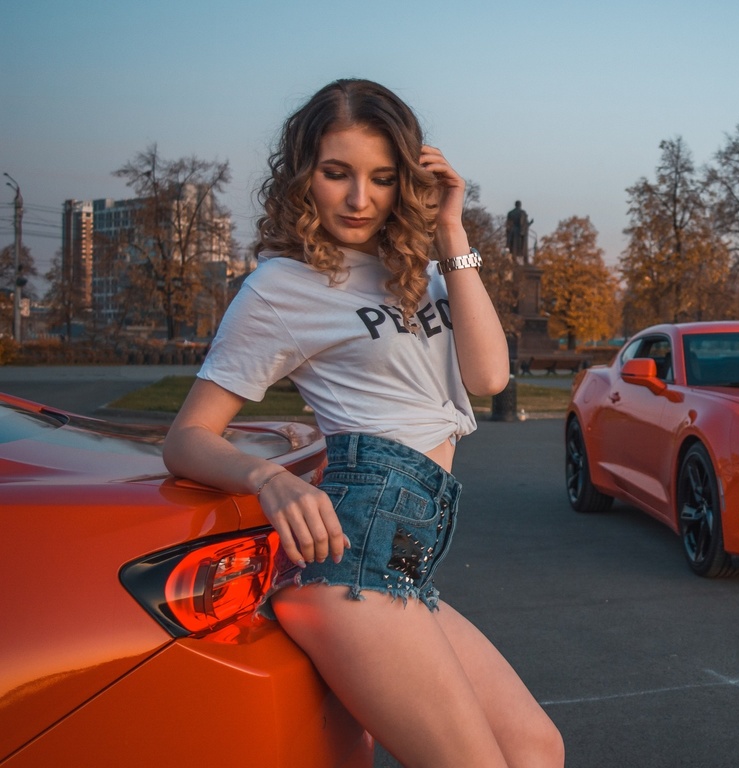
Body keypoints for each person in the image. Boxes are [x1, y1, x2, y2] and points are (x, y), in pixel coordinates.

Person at [163, 79, 563, 767]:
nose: (358, 199)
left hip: (409, 551)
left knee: (534, 747)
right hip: (354, 551)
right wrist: (269, 480)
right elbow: (187, 437)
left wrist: (451, 230)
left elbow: (490, 377)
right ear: (303, 176)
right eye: (336, 173)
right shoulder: (280, 287)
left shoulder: (415, 268)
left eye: (381, 178)